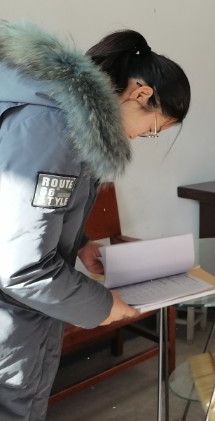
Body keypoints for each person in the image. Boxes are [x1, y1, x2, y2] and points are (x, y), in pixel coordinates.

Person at [0, 21, 191, 420]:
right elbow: (21, 268)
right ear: (141, 94)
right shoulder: (54, 127)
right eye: (152, 129)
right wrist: (104, 306)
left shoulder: (61, 113)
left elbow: (27, 212)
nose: (139, 138)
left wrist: (82, 242)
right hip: (11, 318)